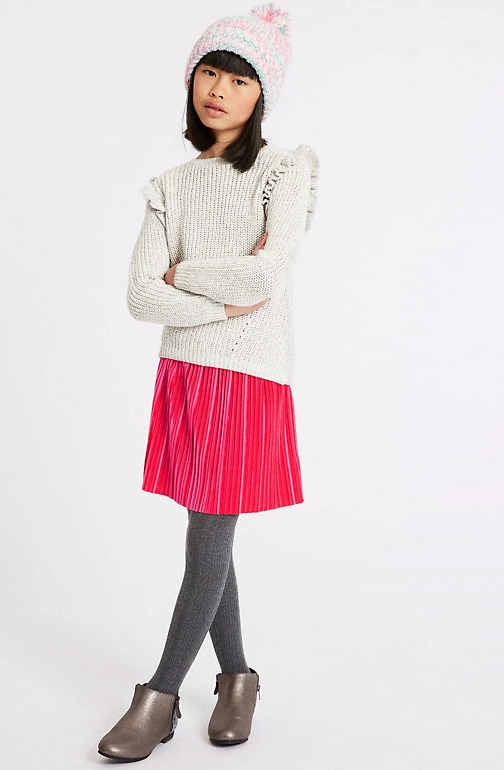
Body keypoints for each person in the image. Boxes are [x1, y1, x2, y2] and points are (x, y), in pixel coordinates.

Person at [96, 2, 319, 762]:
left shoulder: (286, 169)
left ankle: (159, 696)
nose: (219, 90)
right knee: (208, 533)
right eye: (211, 72)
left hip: (248, 373)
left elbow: (266, 274)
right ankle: (238, 679)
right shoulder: (168, 184)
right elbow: (139, 295)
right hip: (186, 372)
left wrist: (181, 274)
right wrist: (218, 295)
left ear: (264, 95)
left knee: (208, 536)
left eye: (240, 79)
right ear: (193, 79)